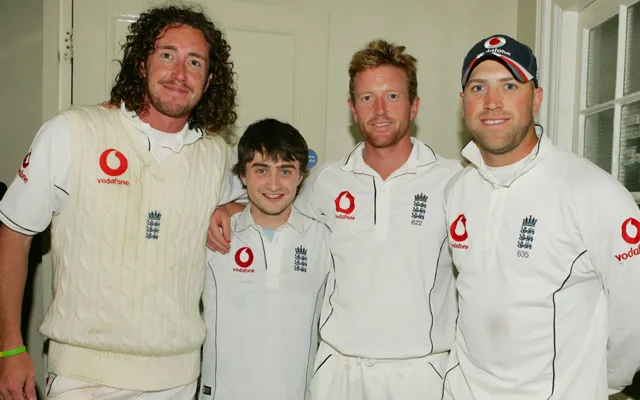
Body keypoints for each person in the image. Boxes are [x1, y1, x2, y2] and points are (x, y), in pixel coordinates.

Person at [0, 5, 237, 399]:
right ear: (141, 64)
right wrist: (9, 346)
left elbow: (261, 201)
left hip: (178, 379)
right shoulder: (73, 132)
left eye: (194, 62)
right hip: (84, 379)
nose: (180, 73)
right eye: (167, 55)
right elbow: (13, 233)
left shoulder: (216, 156)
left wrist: (230, 207)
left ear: (209, 79)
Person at [208, 39, 461, 400]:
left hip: (421, 372)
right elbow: (276, 202)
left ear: (414, 104)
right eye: (366, 98)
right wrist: (231, 207)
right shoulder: (327, 180)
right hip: (337, 373)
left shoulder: (454, 181)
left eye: (392, 96)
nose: (379, 110)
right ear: (352, 109)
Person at [442, 34, 640, 399]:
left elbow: (634, 313)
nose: (492, 102)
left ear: (536, 98)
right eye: (478, 87)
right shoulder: (457, 189)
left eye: (510, 86)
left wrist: (603, 379)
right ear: (463, 101)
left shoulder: (591, 191)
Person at [200, 118, 332, 400]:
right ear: (243, 176)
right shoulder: (213, 232)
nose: (274, 184)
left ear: (301, 176)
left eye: (285, 170)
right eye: (261, 170)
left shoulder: (324, 238)